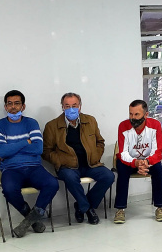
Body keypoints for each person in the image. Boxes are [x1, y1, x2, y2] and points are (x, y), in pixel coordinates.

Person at [0, 90, 58, 237]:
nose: (13, 107)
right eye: (10, 104)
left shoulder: (31, 123)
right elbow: (1, 152)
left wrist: (11, 148)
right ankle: (32, 218)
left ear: (23, 106)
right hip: (11, 169)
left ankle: (28, 221)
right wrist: (25, 142)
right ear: (5, 107)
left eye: (17, 103)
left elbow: (38, 148)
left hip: (34, 167)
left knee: (52, 183)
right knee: (9, 190)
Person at [42, 92, 114, 225]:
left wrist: (96, 156)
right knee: (70, 177)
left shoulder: (90, 120)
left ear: (80, 106)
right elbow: (46, 151)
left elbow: (100, 142)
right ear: (62, 107)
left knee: (109, 176)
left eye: (74, 105)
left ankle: (82, 206)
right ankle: (88, 210)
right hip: (68, 167)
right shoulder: (52, 126)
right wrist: (60, 161)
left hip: (90, 164)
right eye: (67, 106)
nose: (71, 109)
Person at [114, 100, 162, 224]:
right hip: (130, 162)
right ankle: (120, 209)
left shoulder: (155, 125)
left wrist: (146, 162)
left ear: (146, 114)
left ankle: (160, 207)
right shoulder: (123, 126)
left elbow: (157, 151)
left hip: (148, 161)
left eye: (136, 114)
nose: (133, 117)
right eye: (130, 114)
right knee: (121, 170)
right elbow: (123, 153)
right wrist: (136, 163)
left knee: (158, 169)